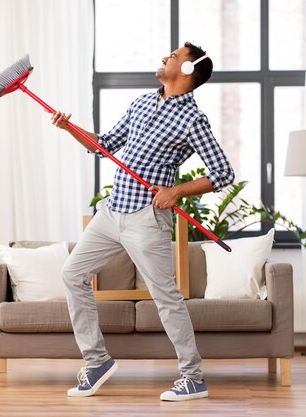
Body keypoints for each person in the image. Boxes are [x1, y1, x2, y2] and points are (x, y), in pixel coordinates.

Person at [50, 42, 235, 401]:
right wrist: (70, 128)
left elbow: (223, 173)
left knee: (166, 297)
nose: (165, 57)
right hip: (112, 211)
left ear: (186, 70)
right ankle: (97, 361)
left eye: (174, 55)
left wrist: (177, 191)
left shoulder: (192, 119)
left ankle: (193, 377)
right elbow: (103, 144)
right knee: (72, 273)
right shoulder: (141, 102)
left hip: (146, 219)